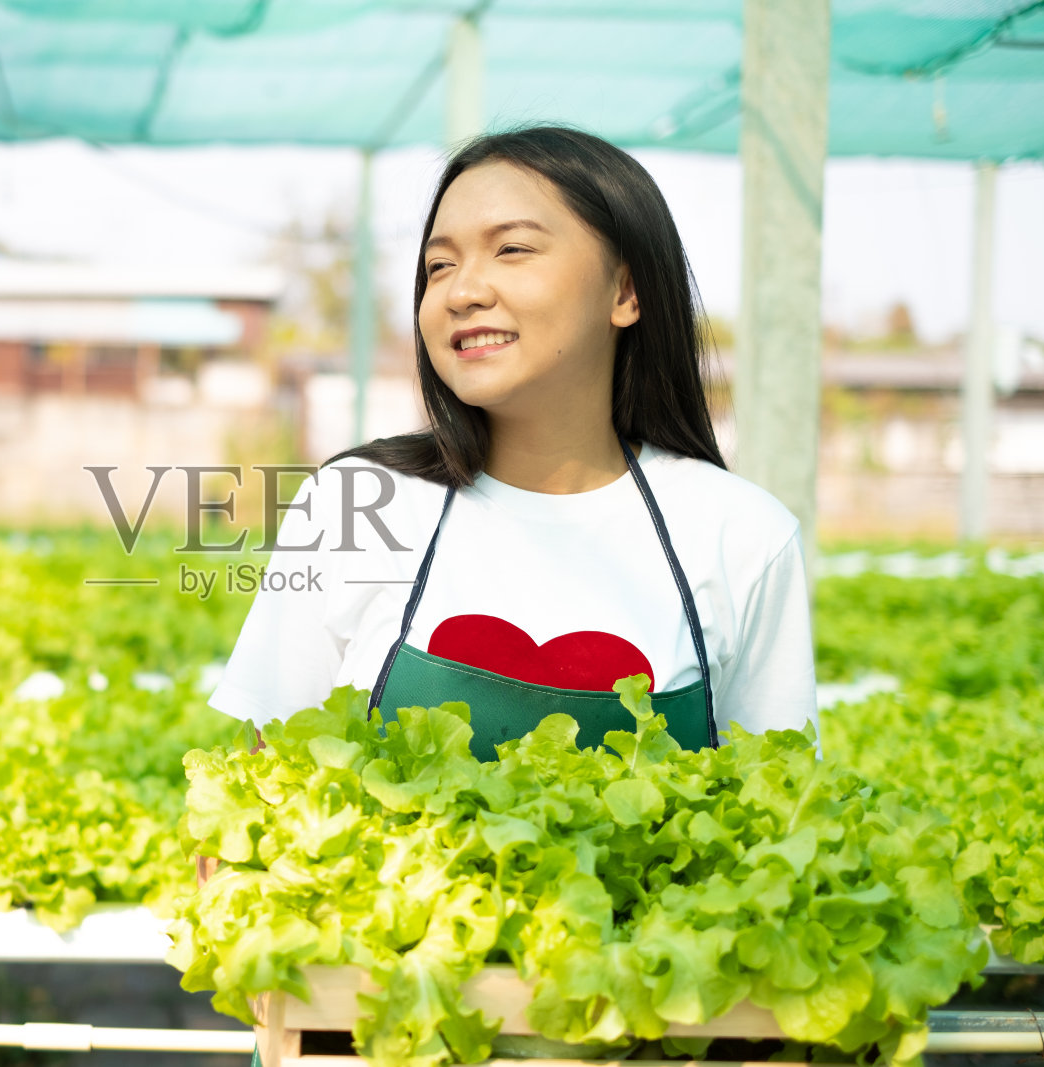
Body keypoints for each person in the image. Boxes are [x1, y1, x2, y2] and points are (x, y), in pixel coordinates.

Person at [208, 126, 817, 768]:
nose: (462, 290)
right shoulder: (357, 505)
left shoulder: (743, 536)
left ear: (626, 292)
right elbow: (258, 802)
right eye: (439, 265)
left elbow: (777, 811)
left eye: (512, 249)